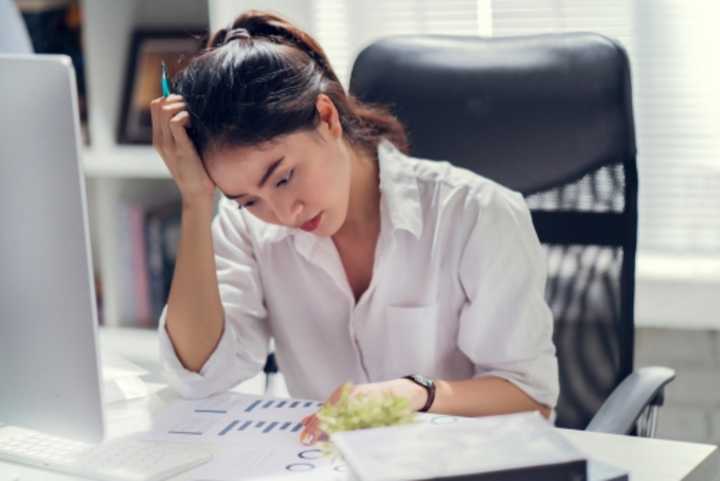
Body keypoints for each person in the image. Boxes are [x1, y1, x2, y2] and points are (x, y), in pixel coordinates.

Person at [151, 10, 559, 445]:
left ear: (326, 118)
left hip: (456, 461)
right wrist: (196, 201)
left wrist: (413, 393)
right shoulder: (246, 227)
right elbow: (199, 375)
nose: (284, 214)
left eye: (284, 177)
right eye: (248, 199)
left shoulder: (476, 214)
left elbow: (530, 399)